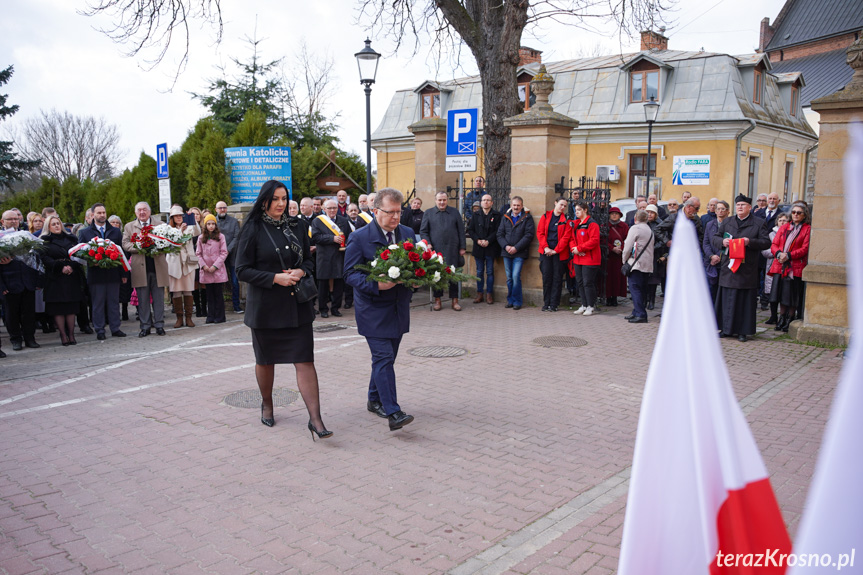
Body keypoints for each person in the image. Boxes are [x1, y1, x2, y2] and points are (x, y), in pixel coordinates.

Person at [235, 180, 330, 438]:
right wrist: (274, 278)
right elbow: (241, 270)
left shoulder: (298, 225)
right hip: (265, 308)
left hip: (296, 306)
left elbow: (309, 261)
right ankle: (267, 404)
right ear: (264, 200)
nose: (280, 203)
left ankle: (316, 420)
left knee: (305, 360)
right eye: (275, 198)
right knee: (266, 361)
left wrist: (301, 270)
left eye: (283, 198)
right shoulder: (252, 228)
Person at [344, 187, 415, 431]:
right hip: (372, 309)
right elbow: (350, 274)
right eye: (390, 212)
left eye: (399, 211)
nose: (396, 217)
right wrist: (376, 284)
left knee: (386, 359)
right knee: (383, 357)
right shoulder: (360, 237)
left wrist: (419, 278)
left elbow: (417, 264)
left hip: (397, 307)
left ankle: (374, 399)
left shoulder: (408, 233)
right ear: (376, 211)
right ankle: (393, 413)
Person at [712, 194, 771, 342]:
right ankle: (725, 329)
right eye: (738, 205)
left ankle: (742, 331)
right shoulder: (728, 221)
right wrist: (722, 241)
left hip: (746, 269)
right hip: (728, 267)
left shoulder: (758, 222)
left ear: (750, 208)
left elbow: (766, 242)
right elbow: (715, 237)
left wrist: (749, 241)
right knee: (726, 298)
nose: (740, 207)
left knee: (743, 302)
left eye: (743, 205)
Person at [77, 203, 126, 340]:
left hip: (113, 273)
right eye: (99, 213)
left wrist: (123, 274)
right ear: (93, 215)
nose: (102, 215)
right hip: (95, 274)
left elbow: (122, 253)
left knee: (114, 302)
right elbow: (80, 253)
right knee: (97, 303)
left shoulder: (115, 232)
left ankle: (115, 328)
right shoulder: (85, 232)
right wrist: (92, 260)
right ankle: (99, 329)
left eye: (104, 212)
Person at [123, 201, 169, 337]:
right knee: (142, 300)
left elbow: (168, 241)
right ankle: (145, 326)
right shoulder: (129, 226)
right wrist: (139, 247)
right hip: (140, 268)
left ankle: (159, 325)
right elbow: (125, 243)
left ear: (149, 211)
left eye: (144, 210)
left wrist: (157, 245)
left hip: (157, 267)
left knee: (159, 299)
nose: (142, 212)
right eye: (139, 210)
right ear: (135, 213)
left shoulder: (160, 225)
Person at [39, 215, 87, 345]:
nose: (56, 226)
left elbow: (79, 254)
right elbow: (44, 258)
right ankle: (63, 335)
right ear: (48, 227)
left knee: (71, 308)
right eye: (53, 224)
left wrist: (71, 266)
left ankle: (71, 335)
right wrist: (60, 267)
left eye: (58, 223)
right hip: (55, 278)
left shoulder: (71, 238)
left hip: (72, 277)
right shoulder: (44, 241)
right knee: (58, 308)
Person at [1, 210, 41, 351]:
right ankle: (16, 339)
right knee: (11, 314)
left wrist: (37, 281)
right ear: (3, 221)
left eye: (15, 218)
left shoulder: (26, 236)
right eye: (10, 219)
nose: (13, 221)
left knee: (29, 313)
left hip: (28, 281)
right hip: (9, 282)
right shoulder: (1, 237)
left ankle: (30, 338)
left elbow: (35, 258)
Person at [421, 191, 466, 311]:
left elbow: (461, 231)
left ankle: (454, 301)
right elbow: (424, 231)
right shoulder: (428, 213)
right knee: (437, 275)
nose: (442, 202)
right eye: (439, 200)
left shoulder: (454, 212)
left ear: (447, 200)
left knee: (453, 275)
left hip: (453, 248)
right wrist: (428, 243)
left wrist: (462, 247)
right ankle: (438, 300)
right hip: (436, 250)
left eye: (444, 200)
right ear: (435, 200)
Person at [768, 204, 811, 332]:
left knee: (791, 295)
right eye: (793, 212)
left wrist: (789, 255)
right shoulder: (785, 227)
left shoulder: (807, 229)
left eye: (799, 212)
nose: (796, 214)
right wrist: (779, 254)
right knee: (780, 293)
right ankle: (781, 317)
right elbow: (774, 243)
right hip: (780, 264)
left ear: (804, 215)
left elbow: (805, 248)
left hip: (794, 266)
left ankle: (790, 318)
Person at [311, 199, 351, 318]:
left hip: (339, 256)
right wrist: (332, 238)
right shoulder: (317, 221)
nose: (332, 210)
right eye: (329, 208)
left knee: (339, 283)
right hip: (324, 256)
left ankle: (335, 308)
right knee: (323, 284)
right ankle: (323, 308)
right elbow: (316, 237)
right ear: (324, 209)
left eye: (334, 208)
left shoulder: (343, 220)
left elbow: (349, 236)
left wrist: (346, 243)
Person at [165, 205, 200, 328]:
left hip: (188, 262)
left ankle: (189, 318)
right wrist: (180, 231)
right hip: (174, 263)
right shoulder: (167, 229)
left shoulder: (189, 227)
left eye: (180, 215)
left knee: (188, 290)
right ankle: (179, 318)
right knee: (176, 291)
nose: (179, 218)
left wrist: (192, 219)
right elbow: (172, 243)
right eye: (176, 216)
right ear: (172, 218)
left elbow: (197, 232)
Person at [496, 196, 534, 310]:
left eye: (518, 205)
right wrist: (506, 246)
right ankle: (510, 300)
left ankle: (517, 301)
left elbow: (529, 235)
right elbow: (499, 234)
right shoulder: (505, 217)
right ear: (511, 205)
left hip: (519, 253)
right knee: (509, 278)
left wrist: (516, 248)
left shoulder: (527, 218)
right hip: (507, 252)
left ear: (522, 206)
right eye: (514, 205)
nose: (516, 207)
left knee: (516, 276)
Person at [537, 197, 571, 312]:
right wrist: (546, 247)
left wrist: (556, 250)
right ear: (555, 203)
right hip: (546, 251)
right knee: (547, 277)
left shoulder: (566, 220)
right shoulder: (546, 216)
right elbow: (540, 233)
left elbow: (566, 237)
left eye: (565, 206)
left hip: (559, 253)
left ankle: (554, 304)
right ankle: (546, 303)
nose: (563, 207)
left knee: (557, 278)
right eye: (561, 204)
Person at [467, 193, 500, 305]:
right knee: (479, 272)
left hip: (490, 247)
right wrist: (478, 240)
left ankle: (489, 294)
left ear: (492, 202)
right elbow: (470, 230)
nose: (486, 202)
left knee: (490, 272)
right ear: (481, 203)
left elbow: (498, 231)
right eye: (484, 200)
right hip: (478, 247)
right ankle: (479, 293)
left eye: (488, 200)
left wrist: (488, 240)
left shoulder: (497, 215)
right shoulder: (475, 215)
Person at [569, 201, 601, 316]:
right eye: (576, 210)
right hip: (578, 258)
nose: (576, 212)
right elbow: (571, 238)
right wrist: (574, 248)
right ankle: (584, 304)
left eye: (579, 210)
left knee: (588, 282)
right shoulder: (576, 224)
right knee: (580, 282)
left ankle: (590, 305)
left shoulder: (592, 224)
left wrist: (580, 248)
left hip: (590, 258)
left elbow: (594, 240)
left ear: (585, 210)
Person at [195, 214, 228, 324]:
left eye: (213, 224)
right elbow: (198, 253)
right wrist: (203, 265)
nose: (211, 226)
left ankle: (220, 316)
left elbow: (224, 252)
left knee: (218, 294)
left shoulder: (220, 236)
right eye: (208, 224)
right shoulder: (201, 238)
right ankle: (210, 315)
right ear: (205, 225)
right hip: (206, 270)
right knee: (209, 294)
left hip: (217, 269)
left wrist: (215, 266)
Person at [622, 210, 654, 323]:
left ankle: (641, 314)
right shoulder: (650, 230)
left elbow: (627, 246)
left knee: (635, 289)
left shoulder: (635, 228)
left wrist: (624, 260)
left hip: (637, 264)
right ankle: (636, 312)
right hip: (647, 264)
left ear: (636, 218)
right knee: (642, 289)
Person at [215, 201, 243, 313]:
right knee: (217, 282)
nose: (222, 210)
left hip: (232, 256)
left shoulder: (234, 221)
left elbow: (237, 237)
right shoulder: (212, 222)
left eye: (224, 208)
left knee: (235, 282)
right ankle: (218, 307)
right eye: (220, 208)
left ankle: (236, 305)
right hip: (217, 256)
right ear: (216, 209)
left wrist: (227, 250)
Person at [762, 211, 789, 325]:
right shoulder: (771, 234)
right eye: (780, 220)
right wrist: (777, 253)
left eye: (785, 220)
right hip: (773, 265)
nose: (782, 222)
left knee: (784, 292)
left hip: (786, 266)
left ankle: (784, 316)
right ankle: (773, 316)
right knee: (772, 293)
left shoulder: (791, 233)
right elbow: (764, 250)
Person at [703, 200, 730, 305]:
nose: (720, 211)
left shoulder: (731, 225)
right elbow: (705, 243)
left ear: (727, 211)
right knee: (711, 289)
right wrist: (711, 256)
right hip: (711, 261)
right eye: (718, 209)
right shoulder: (710, 224)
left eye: (723, 209)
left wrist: (720, 256)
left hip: (725, 261)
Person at [109, 215, 132, 320]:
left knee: (125, 289)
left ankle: (125, 311)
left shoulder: (123, 236)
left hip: (124, 265)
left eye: (117, 222)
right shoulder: (107, 237)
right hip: (112, 266)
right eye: (112, 222)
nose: (115, 224)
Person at [644, 204, 667, 311]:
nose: (649, 214)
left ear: (656, 214)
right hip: (643, 255)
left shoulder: (661, 225)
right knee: (644, 278)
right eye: (648, 212)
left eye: (652, 212)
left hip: (655, 255)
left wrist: (652, 248)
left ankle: (652, 300)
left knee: (653, 279)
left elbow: (663, 241)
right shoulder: (643, 224)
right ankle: (645, 299)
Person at [606, 206, 629, 307]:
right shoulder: (606, 226)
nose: (614, 215)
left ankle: (615, 297)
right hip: (609, 256)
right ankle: (608, 297)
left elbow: (628, 238)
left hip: (620, 256)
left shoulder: (624, 226)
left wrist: (622, 248)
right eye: (612, 213)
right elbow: (603, 240)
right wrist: (612, 248)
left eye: (616, 214)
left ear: (620, 215)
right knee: (608, 277)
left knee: (617, 277)